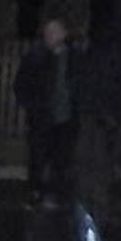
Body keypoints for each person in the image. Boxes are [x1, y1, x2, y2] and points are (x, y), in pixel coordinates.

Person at [14, 18, 79, 206]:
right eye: (48, 33)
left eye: (55, 32)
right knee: (38, 158)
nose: (50, 37)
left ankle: (56, 194)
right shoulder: (36, 57)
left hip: (66, 118)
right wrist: (32, 106)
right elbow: (21, 85)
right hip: (42, 117)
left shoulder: (73, 58)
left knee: (61, 160)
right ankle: (35, 193)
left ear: (64, 34)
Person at [74, 22, 121, 220]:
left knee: (86, 162)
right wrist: (113, 116)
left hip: (87, 114)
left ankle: (85, 204)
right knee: (101, 164)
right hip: (103, 116)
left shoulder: (86, 57)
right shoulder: (115, 58)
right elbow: (114, 89)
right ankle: (99, 207)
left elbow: (82, 87)